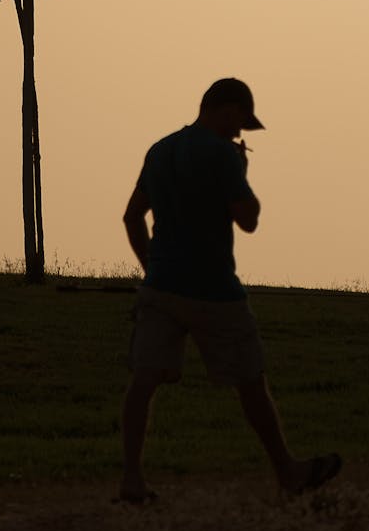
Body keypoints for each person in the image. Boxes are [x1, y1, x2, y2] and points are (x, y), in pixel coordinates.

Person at [119, 78, 341, 502]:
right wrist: (240, 170)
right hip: (214, 290)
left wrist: (154, 272)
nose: (241, 133)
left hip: (161, 288)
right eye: (241, 121)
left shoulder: (161, 149)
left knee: (143, 380)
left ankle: (132, 480)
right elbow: (249, 219)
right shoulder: (223, 155)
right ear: (227, 110)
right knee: (250, 381)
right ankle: (288, 473)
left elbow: (132, 217)